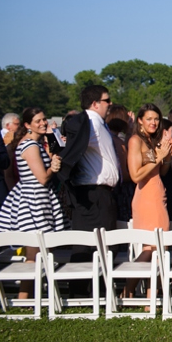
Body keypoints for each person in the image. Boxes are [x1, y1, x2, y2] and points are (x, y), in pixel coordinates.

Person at [0, 107, 65, 300]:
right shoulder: (30, 146)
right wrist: (53, 167)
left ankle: (30, 297)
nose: (43, 123)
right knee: (35, 251)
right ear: (27, 125)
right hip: (34, 200)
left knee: (38, 251)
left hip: (37, 197)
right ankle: (24, 298)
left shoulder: (33, 143)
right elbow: (42, 178)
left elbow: (50, 162)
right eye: (38, 121)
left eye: (44, 120)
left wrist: (52, 148)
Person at [124, 103, 172, 302]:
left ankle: (148, 297)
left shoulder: (151, 140)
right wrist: (158, 158)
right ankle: (131, 291)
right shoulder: (135, 141)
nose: (154, 122)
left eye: (156, 119)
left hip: (157, 194)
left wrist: (168, 157)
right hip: (146, 198)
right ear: (140, 120)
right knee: (152, 249)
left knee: (157, 249)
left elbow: (160, 171)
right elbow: (136, 175)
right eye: (149, 119)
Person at [57, 85, 121, 235]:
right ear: (95, 104)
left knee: (105, 248)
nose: (110, 103)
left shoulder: (98, 123)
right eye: (107, 100)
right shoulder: (88, 123)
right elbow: (72, 145)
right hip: (93, 195)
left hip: (101, 194)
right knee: (96, 248)